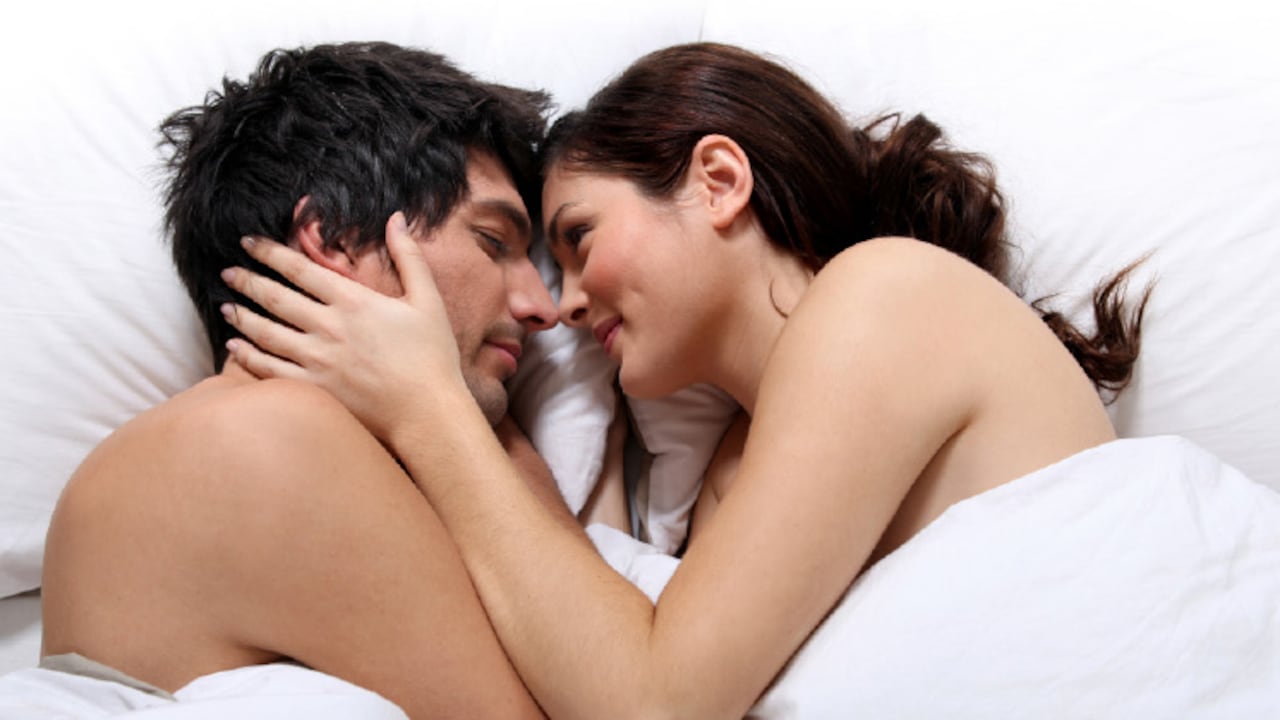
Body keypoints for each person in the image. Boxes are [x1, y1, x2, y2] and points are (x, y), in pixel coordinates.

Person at [219, 43, 1264, 717]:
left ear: (717, 181)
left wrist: (428, 406)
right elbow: (604, 650)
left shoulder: (885, 296)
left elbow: (656, 702)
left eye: (578, 239)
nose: (565, 303)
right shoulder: (725, 478)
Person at [39, 41, 585, 718]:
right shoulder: (261, 437)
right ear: (335, 239)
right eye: (493, 242)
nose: (542, 306)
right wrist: (453, 411)